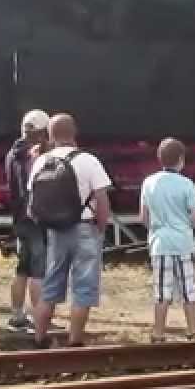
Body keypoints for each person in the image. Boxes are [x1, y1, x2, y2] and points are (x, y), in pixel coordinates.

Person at [28, 114, 112, 349]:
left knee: (51, 286)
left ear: (51, 135)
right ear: (74, 133)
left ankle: (40, 338)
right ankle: (74, 341)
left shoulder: (40, 162)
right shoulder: (88, 161)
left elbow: (32, 199)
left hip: (55, 230)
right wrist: (101, 228)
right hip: (85, 228)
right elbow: (102, 199)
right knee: (83, 286)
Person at [139, 137, 195, 343]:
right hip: (183, 242)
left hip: (159, 243)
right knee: (188, 290)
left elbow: (143, 216)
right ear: (181, 159)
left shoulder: (149, 182)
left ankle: (158, 332)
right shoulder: (186, 184)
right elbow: (194, 215)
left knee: (161, 291)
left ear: (160, 158)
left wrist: (156, 229)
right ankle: (192, 331)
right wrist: (185, 227)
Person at [5, 110, 50, 332]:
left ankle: (16, 315)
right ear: (41, 133)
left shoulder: (12, 153)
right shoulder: (34, 156)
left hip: (19, 218)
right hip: (35, 218)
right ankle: (38, 318)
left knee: (22, 269)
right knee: (38, 271)